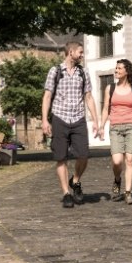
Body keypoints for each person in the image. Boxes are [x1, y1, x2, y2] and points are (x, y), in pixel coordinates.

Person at [42, 41, 98, 208]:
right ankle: (66, 193)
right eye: (80, 52)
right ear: (71, 52)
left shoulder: (84, 73)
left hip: (78, 118)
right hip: (59, 117)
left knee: (83, 154)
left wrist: (95, 120)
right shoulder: (55, 71)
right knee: (61, 157)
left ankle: (75, 180)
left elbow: (88, 97)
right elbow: (47, 96)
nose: (82, 55)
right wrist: (45, 120)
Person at [98, 59, 132, 205]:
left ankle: (128, 193)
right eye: (116, 68)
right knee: (117, 161)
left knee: (130, 160)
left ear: (127, 71)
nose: (116, 71)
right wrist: (101, 126)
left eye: (119, 68)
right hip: (115, 127)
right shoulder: (110, 88)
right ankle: (117, 179)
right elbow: (105, 109)